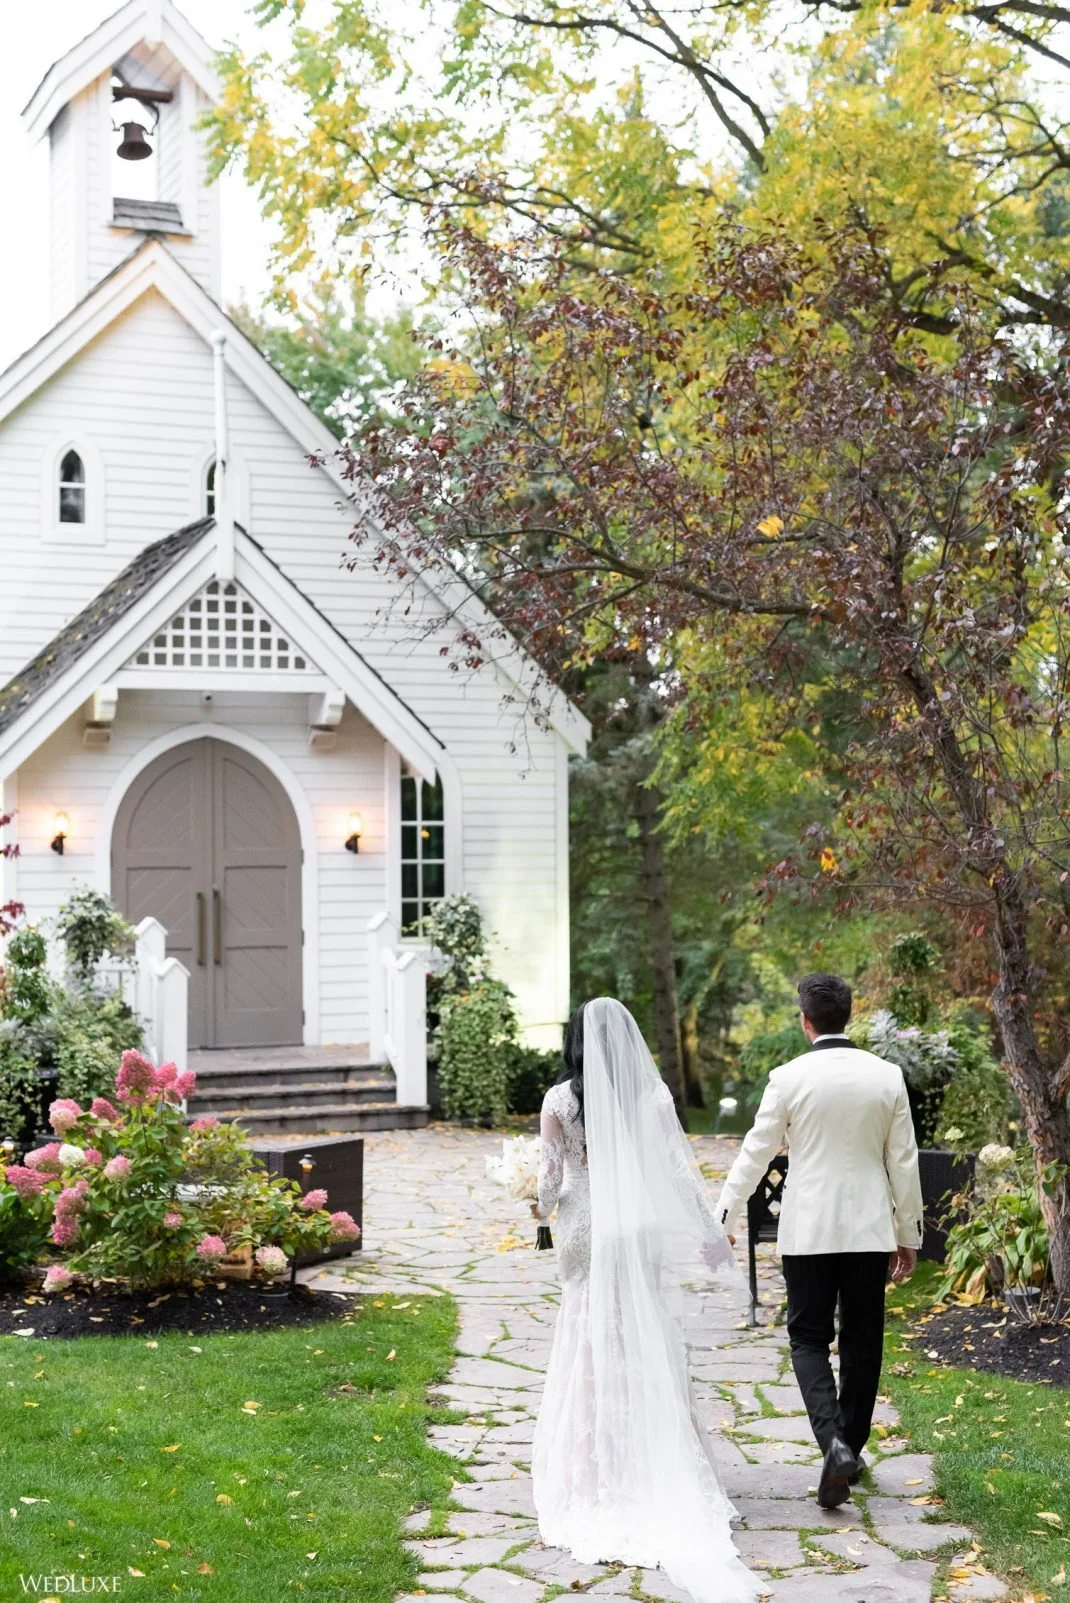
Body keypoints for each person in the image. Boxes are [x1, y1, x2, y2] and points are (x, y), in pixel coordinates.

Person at [531, 997, 760, 1603]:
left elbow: (551, 1183)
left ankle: (596, 1470)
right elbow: (680, 1174)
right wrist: (712, 1231)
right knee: (645, 1333)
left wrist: (531, 1202)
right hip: (638, 1229)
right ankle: (661, 1459)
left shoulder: (559, 1101)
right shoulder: (653, 1097)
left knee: (588, 1334)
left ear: (575, 1040)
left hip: (585, 1227)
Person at [716, 972, 923, 1510]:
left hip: (807, 1231)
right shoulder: (888, 1076)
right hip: (868, 1230)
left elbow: (754, 1153)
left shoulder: (788, 1077)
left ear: (805, 1020)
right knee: (861, 1341)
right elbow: (902, 1162)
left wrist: (722, 1215)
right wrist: (909, 1234)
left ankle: (832, 1442)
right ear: (846, 1016)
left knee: (808, 1340)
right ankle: (848, 1448)